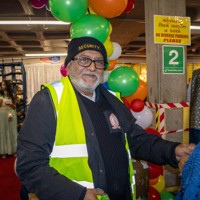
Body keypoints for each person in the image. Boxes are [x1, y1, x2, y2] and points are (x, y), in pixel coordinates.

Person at [16, 36, 195, 200]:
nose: (92, 67)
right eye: (84, 60)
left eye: (98, 61)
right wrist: (78, 194)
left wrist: (173, 151)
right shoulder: (48, 100)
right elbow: (30, 165)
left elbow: (137, 140)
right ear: (69, 65)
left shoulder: (112, 100)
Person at [0, 80, 18, 158]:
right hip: (2, 114)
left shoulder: (12, 95)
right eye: (1, 85)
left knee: (12, 130)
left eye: (3, 84)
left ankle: (14, 150)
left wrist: (10, 104)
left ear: (7, 85)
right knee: (3, 130)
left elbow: (15, 106)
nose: (2, 86)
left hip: (11, 113)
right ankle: (3, 151)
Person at [188, 68, 200, 144]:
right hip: (195, 122)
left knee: (193, 149)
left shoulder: (196, 73)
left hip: (195, 120)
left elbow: (188, 97)